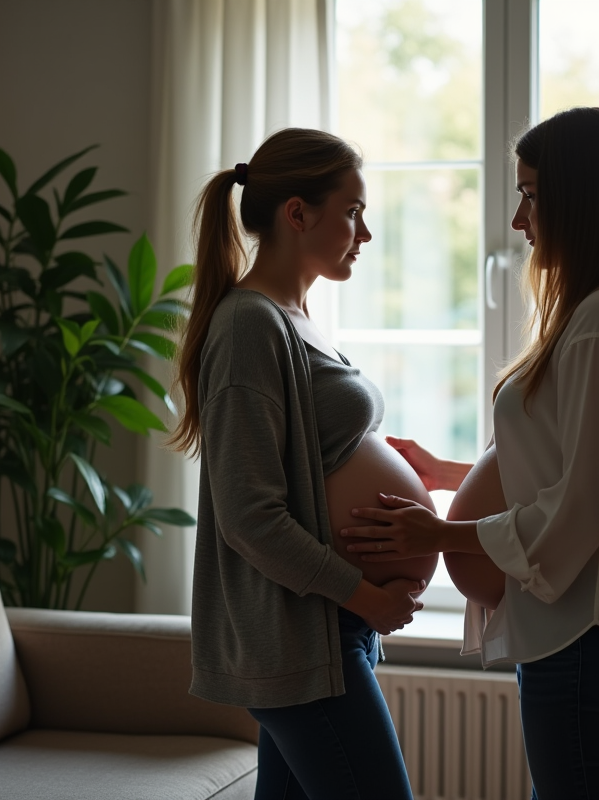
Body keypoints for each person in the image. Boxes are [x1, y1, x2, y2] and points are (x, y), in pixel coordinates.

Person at [340, 107, 599, 799]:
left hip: (585, 635)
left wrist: (442, 531)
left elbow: (585, 504)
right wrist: (450, 474)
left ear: (579, 198)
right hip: (575, 634)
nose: (517, 219)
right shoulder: (598, 310)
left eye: (530, 194)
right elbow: (574, 460)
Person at [168, 127, 441, 800]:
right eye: (352, 211)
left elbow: (307, 460)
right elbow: (250, 516)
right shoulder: (248, 326)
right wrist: (368, 595)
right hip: (299, 635)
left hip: (322, 627)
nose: (364, 233)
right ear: (298, 213)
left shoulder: (293, 315)